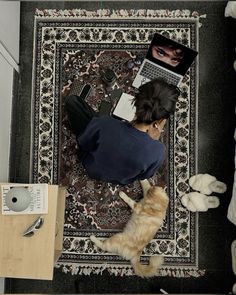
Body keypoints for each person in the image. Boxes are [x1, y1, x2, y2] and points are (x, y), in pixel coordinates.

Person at [63, 78, 180, 185]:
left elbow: (84, 142)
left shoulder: (105, 123)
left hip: (92, 169)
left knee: (73, 101)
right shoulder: (158, 151)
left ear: (136, 101)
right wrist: (152, 141)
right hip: (121, 180)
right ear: (159, 121)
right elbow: (144, 175)